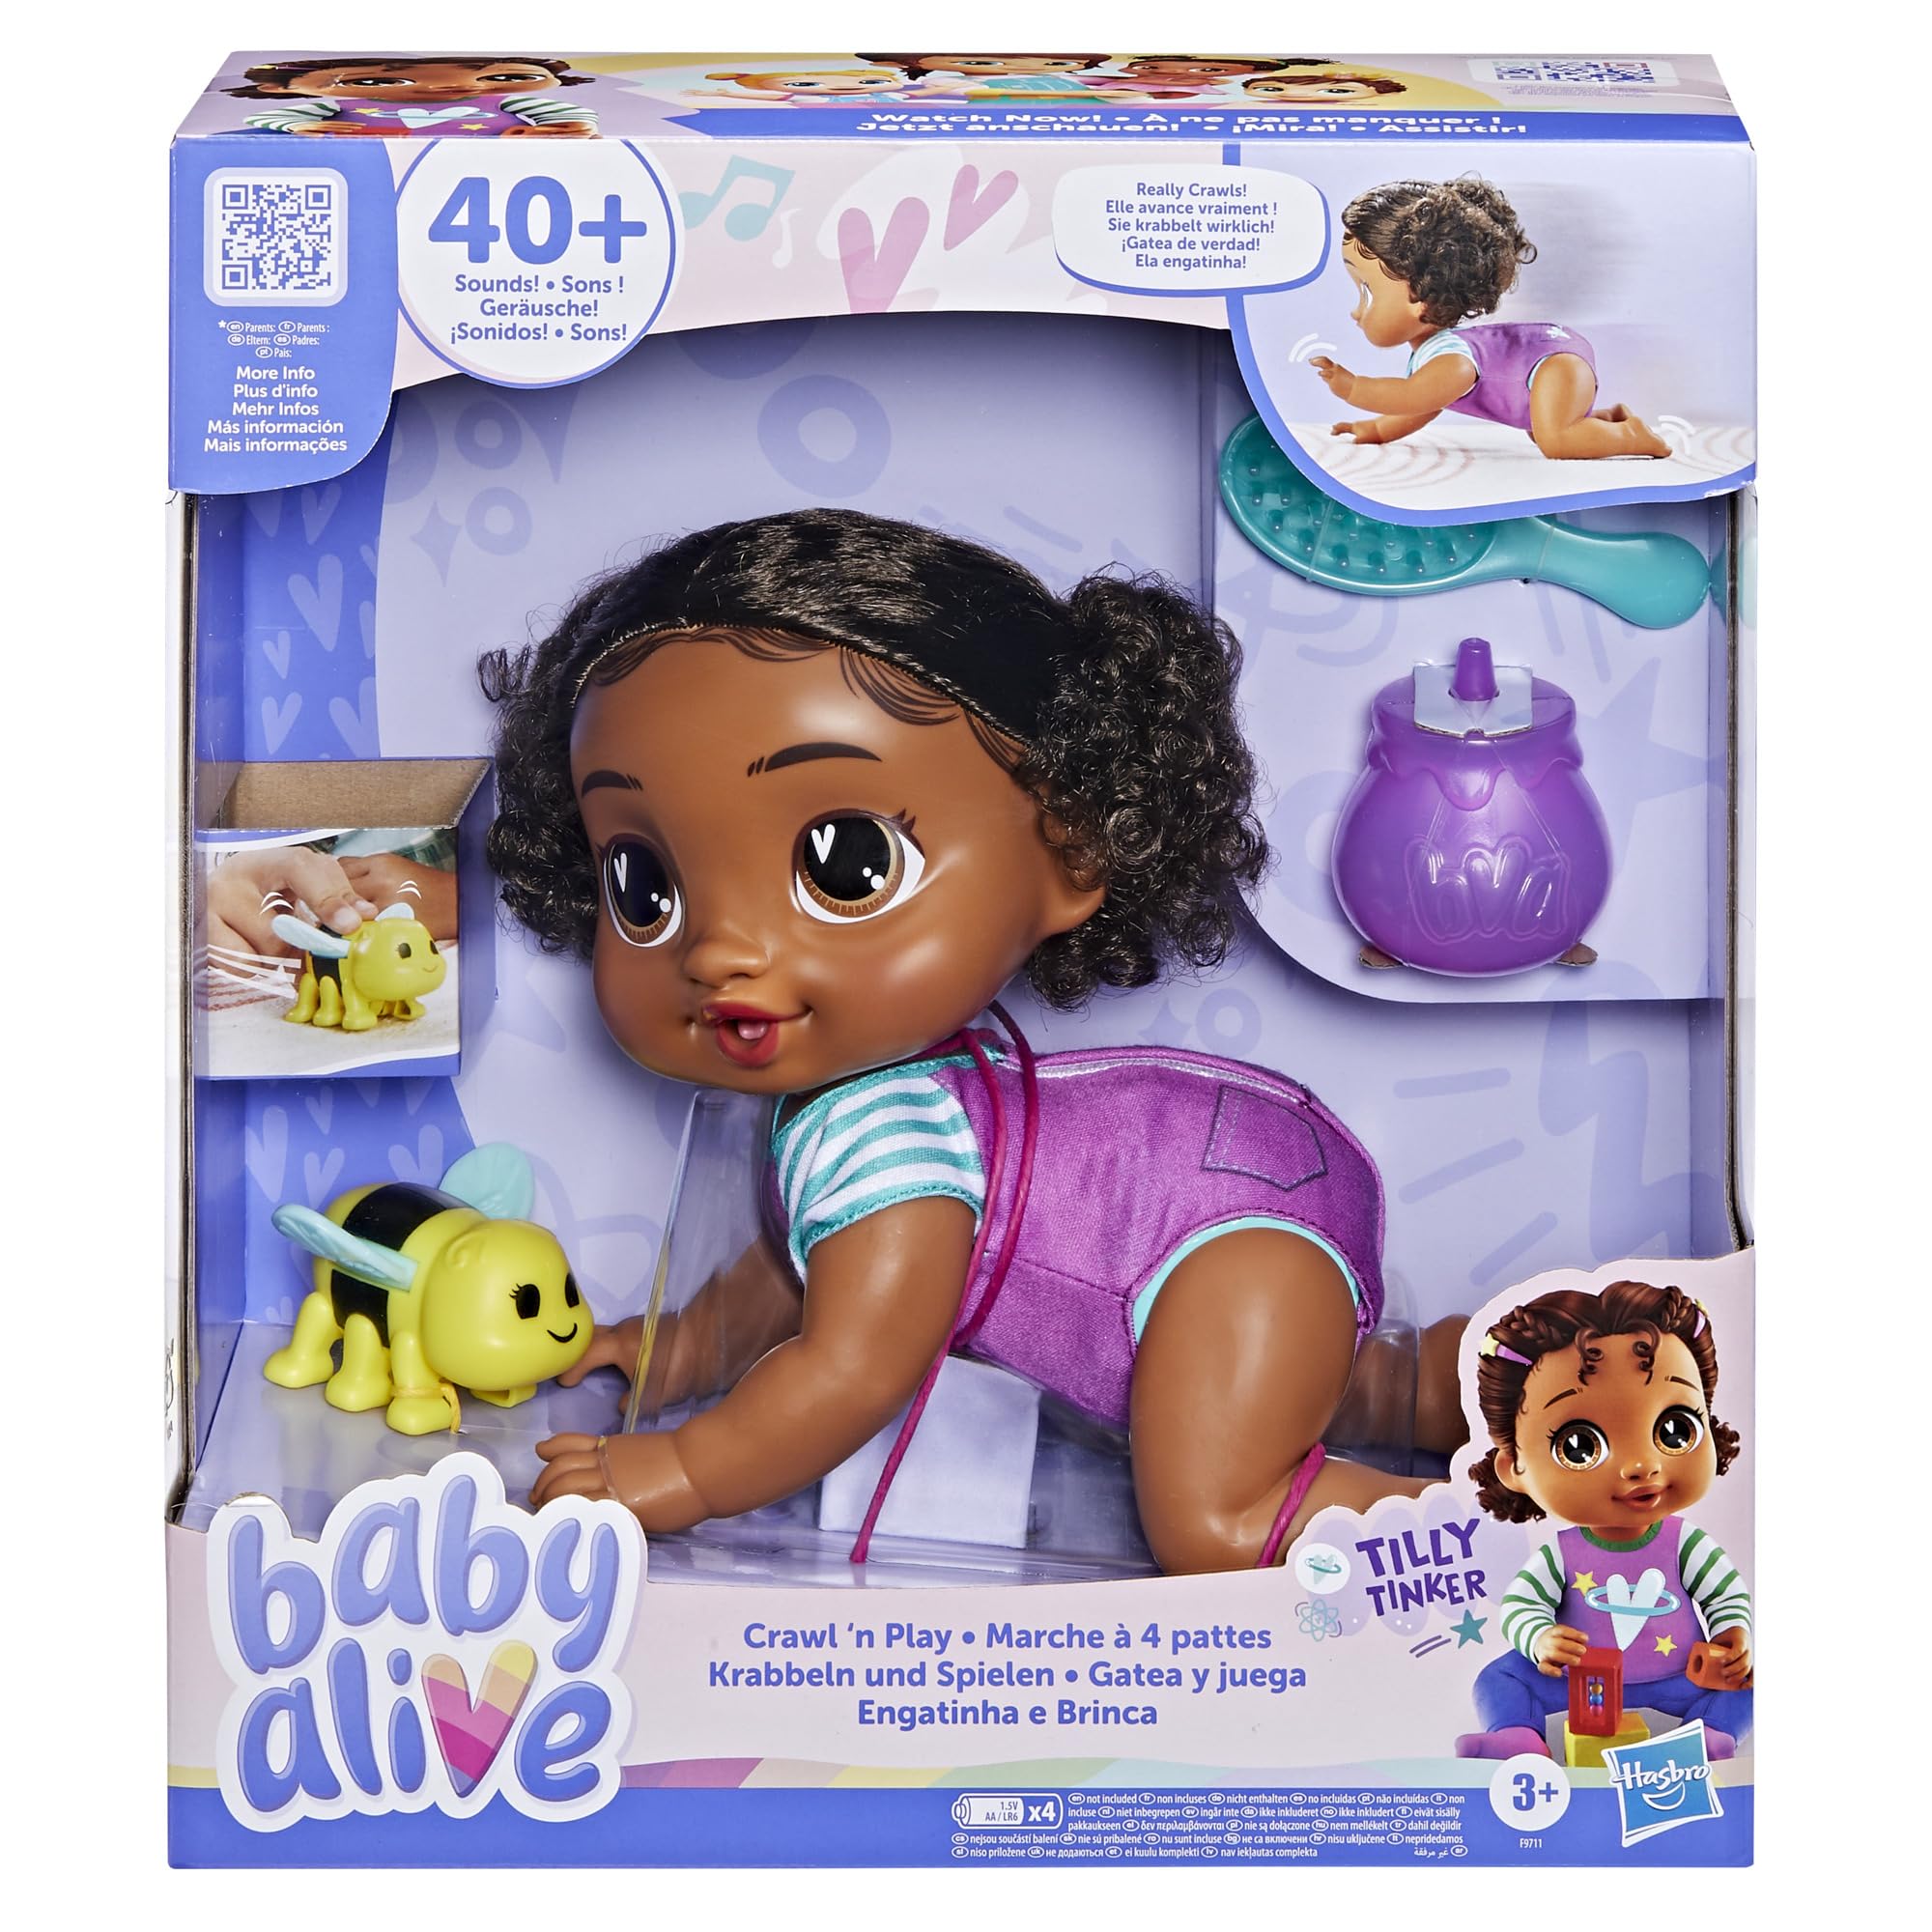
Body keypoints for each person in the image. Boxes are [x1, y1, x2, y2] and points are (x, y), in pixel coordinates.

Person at [481, 509, 1465, 1572]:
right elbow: (801, 1260)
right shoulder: (871, 1106)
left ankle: (1519, 1520)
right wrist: (682, 1347)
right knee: (1327, 1386)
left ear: (1073, 848)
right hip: (1240, 1198)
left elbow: (855, 1365)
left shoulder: (902, 1140)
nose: (720, 949)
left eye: (843, 863)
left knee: (1217, 1518)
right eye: (645, 884)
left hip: (1222, 1242)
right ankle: (1484, 1371)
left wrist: (683, 1470)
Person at [1460, 1280, 1752, 1759]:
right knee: (1498, 1678)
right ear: (1514, 1467)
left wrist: (1733, 1636)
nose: (1640, 1465)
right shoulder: (1562, 1554)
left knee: (1753, 1683)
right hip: (1578, 1680)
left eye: (1675, 1429)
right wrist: (1540, 1638)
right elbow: (1520, 1604)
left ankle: (1709, 1737)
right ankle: (1517, 1737)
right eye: (1579, 1445)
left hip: (1679, 1675)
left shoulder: (1685, 1543)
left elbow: (1725, 1595)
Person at [1313, 176, 1670, 457]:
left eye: (1367, 292)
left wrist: (1353, 388)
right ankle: (1608, 420)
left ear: (1420, 297)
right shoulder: (1437, 357)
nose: (1356, 311)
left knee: (1555, 440)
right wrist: (1377, 430)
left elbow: (1412, 397)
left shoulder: (1451, 363)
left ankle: (1631, 435)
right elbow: (1424, 404)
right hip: (1550, 357)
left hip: (1555, 365)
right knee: (1549, 426)